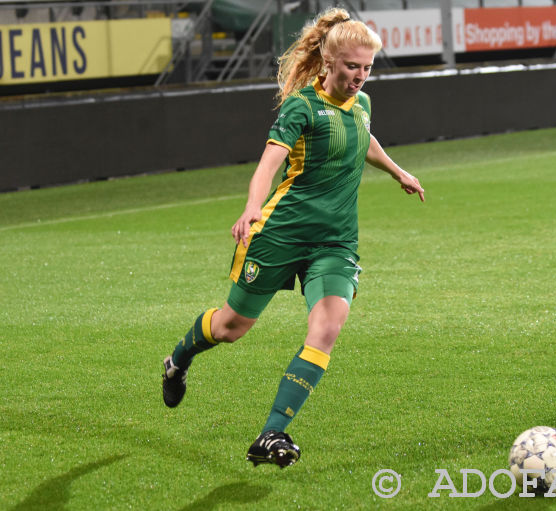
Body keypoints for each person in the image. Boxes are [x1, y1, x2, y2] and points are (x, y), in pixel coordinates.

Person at [161, 7, 425, 468]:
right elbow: (268, 164)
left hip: (335, 243)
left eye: (367, 67)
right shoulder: (301, 106)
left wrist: (398, 171)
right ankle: (178, 359)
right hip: (280, 234)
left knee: (327, 329)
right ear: (328, 60)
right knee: (230, 328)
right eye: (351, 67)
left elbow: (364, 136)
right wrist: (249, 208)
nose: (360, 76)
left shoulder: (362, 103)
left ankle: (272, 432)